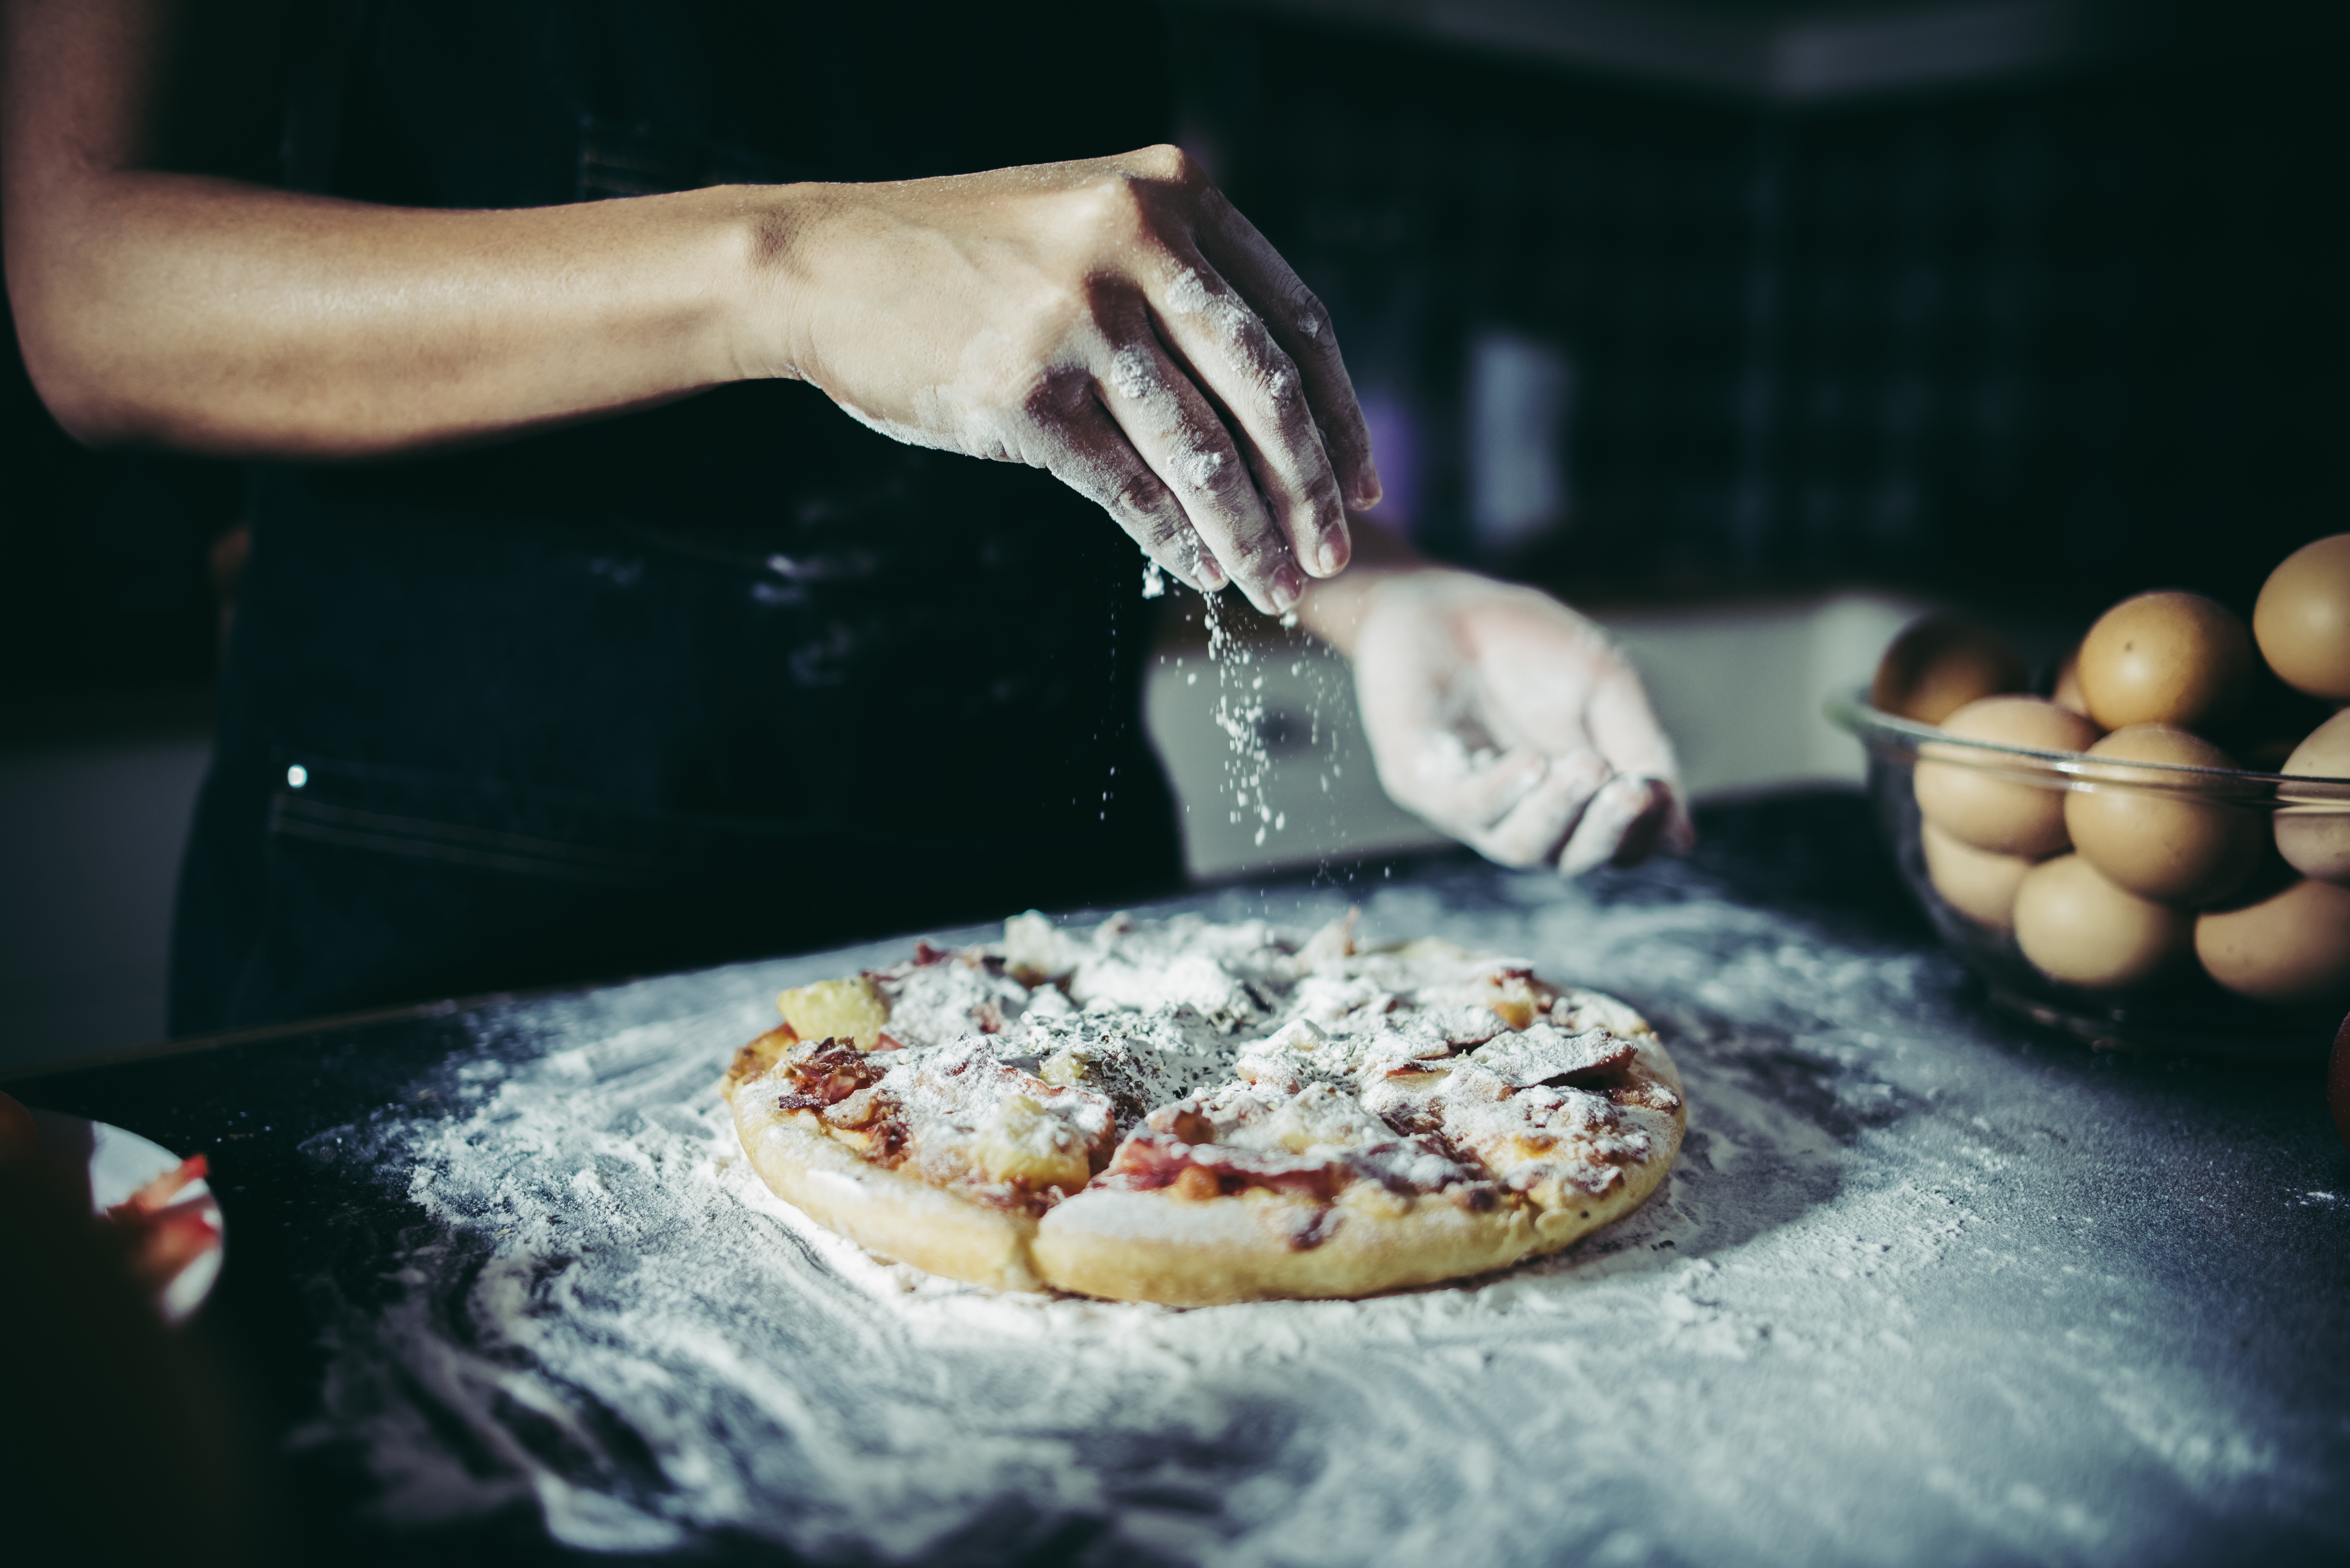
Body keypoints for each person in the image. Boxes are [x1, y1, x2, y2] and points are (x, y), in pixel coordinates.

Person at [3, 0, 1690, 1034]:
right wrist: (791, 271)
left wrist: (1368, 595)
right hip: (461, 929)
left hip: (1049, 935)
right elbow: (93, 288)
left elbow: (1065, 352)